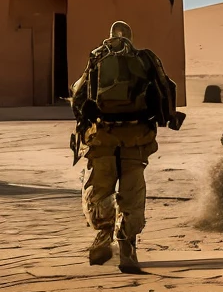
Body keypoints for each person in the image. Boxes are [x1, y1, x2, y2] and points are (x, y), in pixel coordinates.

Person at [69, 20, 183, 273]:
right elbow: (165, 90)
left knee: (99, 190)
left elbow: (78, 96)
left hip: (102, 138)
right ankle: (127, 243)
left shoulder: (97, 59)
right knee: (132, 193)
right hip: (137, 138)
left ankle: (103, 234)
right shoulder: (145, 60)